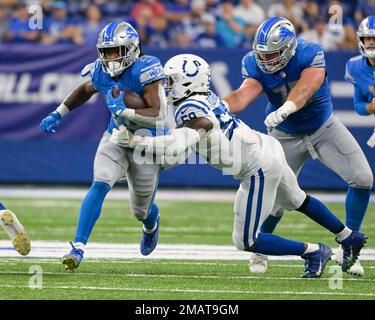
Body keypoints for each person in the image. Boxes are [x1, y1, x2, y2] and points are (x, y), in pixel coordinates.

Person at [108, 53, 367, 278]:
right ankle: (347, 235)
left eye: (171, 80)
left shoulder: (190, 109)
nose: (166, 86)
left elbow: (177, 146)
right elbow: (179, 146)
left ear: (187, 82)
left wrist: (134, 141)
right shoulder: (203, 97)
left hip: (256, 167)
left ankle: (313, 252)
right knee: (297, 200)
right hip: (265, 147)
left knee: (245, 240)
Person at [223, 17, 373, 276]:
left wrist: (286, 109)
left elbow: (306, 88)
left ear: (289, 48)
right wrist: (218, 108)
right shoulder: (253, 62)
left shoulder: (309, 52)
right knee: (276, 202)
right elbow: (243, 94)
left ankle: (349, 247)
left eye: (273, 54)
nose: (267, 61)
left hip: (323, 127)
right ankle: (261, 249)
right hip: (285, 134)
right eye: (263, 55)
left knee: (363, 178)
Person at [40, 21, 167, 271]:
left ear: (131, 49)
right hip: (116, 137)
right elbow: (85, 90)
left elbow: (158, 115)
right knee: (100, 182)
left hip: (146, 143)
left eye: (115, 51)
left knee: (140, 210)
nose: (109, 58)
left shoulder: (146, 68)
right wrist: (59, 112)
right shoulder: (101, 70)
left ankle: (151, 222)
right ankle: (78, 247)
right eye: (106, 52)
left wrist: (127, 112)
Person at [345, 16, 375, 149]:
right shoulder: (355, 67)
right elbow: (358, 105)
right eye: (368, 38)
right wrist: (371, 107)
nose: (372, 43)